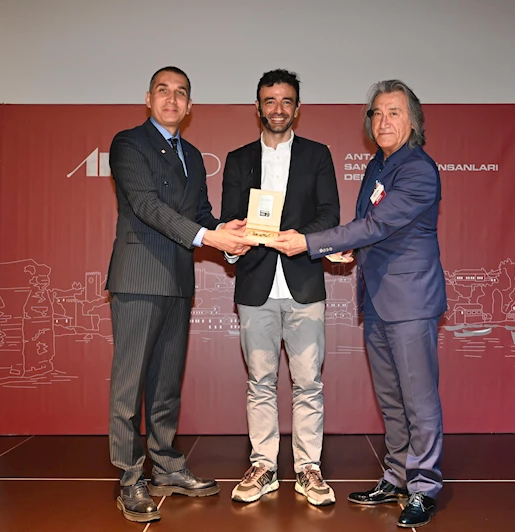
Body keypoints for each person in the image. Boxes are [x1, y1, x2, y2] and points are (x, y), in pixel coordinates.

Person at [267, 79, 447, 528]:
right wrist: (345, 246)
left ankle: (424, 487)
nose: (383, 121)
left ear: (413, 121)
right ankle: (397, 476)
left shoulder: (418, 170)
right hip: (379, 299)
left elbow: (377, 225)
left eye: (394, 112)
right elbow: (367, 225)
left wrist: (310, 242)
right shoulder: (378, 165)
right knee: (392, 400)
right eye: (376, 113)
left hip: (410, 301)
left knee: (418, 400)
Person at [106, 66, 255, 523]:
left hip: (177, 280)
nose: (171, 99)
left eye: (180, 93)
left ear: (190, 106)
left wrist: (224, 230)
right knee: (130, 385)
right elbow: (147, 206)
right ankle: (130, 478)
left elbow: (200, 213)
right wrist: (209, 238)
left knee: (166, 384)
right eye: (163, 91)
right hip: (138, 277)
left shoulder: (190, 153)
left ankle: (167, 466)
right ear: (148, 98)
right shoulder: (128, 143)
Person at [220, 69, 340, 506]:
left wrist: (299, 239)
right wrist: (234, 241)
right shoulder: (238, 159)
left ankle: (309, 468)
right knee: (260, 381)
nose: (278, 109)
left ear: (297, 108)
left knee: (309, 382)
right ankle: (264, 466)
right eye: (269, 101)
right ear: (258, 107)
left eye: (286, 101)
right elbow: (230, 219)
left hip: (303, 282)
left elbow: (329, 214)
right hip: (256, 284)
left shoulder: (317, 155)